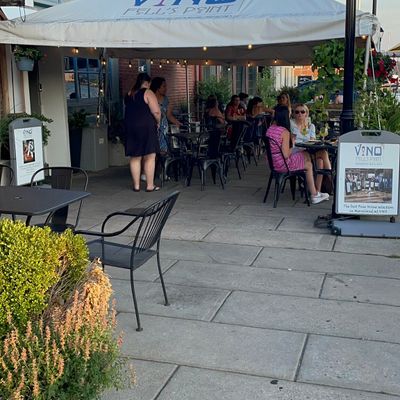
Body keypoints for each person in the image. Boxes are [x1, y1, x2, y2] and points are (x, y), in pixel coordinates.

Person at [266, 105, 329, 204]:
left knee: (309, 158)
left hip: (274, 163)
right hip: (283, 165)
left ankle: (314, 191)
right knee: (308, 164)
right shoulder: (284, 132)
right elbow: (286, 154)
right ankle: (314, 194)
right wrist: (293, 143)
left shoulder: (270, 129)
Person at [124, 73, 161, 192]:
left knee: (135, 157)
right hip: (146, 127)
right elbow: (156, 112)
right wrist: (158, 122)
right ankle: (150, 185)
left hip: (131, 127)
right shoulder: (148, 93)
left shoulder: (130, 93)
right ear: (148, 83)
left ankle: (136, 186)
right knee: (150, 156)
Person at [290, 103, 332, 193]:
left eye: (302, 112)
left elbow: (312, 140)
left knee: (320, 160)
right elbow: (292, 142)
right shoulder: (291, 124)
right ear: (293, 114)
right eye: (297, 112)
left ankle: (317, 191)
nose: (300, 114)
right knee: (323, 154)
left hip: (308, 151)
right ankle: (333, 182)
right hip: (296, 152)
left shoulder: (310, 126)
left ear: (306, 113)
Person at [150, 77, 182, 154]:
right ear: (157, 88)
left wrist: (177, 122)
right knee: (152, 151)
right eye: (164, 86)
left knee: (163, 151)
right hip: (152, 128)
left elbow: (169, 115)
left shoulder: (167, 100)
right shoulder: (150, 98)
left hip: (163, 129)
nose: (166, 88)